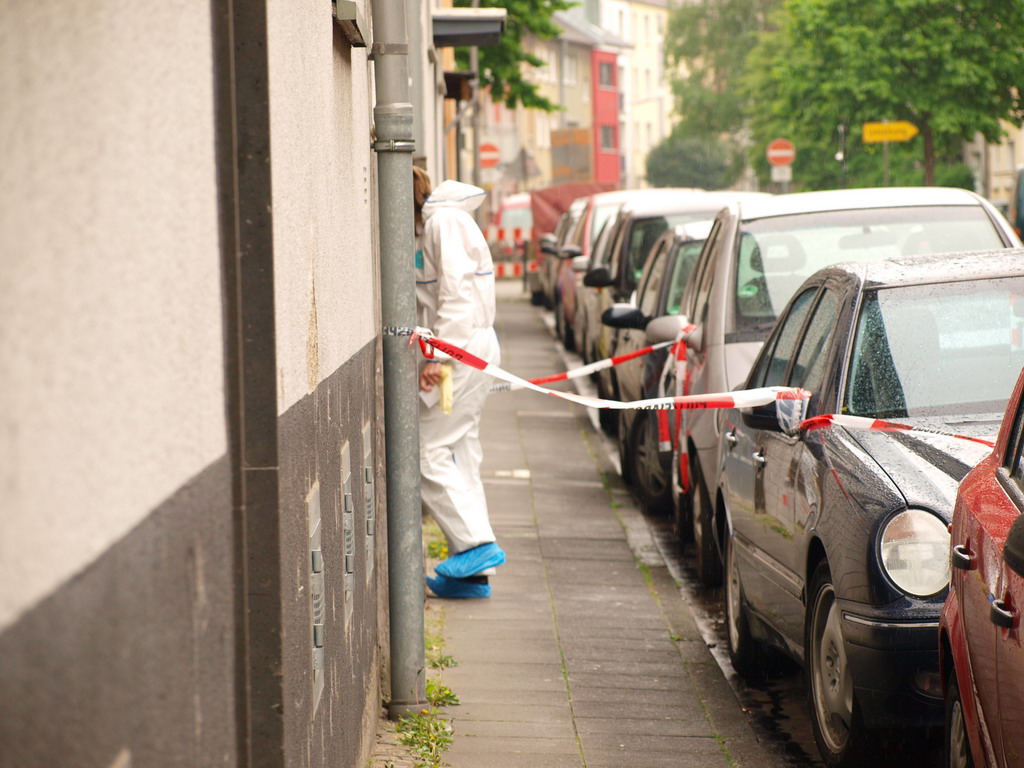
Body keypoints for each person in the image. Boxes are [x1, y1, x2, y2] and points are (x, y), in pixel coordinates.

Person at [413, 166, 505, 599]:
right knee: (461, 450)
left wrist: (439, 357)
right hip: (470, 345)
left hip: (463, 347)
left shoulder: (443, 223)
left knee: (425, 450)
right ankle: (470, 577)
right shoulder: (440, 223)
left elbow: (455, 295)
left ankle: (475, 545)